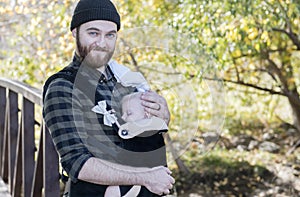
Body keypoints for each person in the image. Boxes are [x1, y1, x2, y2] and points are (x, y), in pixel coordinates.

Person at [42, 0, 174, 196]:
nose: (102, 43)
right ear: (75, 33)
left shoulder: (127, 82)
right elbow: (78, 162)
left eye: (110, 35)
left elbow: (145, 138)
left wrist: (162, 117)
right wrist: (146, 176)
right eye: (93, 33)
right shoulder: (62, 87)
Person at [104, 92, 169, 197]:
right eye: (123, 113)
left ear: (147, 114)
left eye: (129, 113)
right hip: (149, 182)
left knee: (112, 191)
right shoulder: (155, 132)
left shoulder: (143, 135)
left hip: (143, 182)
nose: (124, 118)